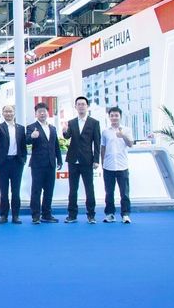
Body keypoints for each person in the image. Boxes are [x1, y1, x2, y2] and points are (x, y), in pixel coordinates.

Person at [62, 96, 102, 224]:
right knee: (72, 189)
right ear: (75, 107)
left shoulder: (94, 123)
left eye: (83, 104)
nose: (81, 106)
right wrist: (64, 131)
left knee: (89, 189)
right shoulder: (71, 122)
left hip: (87, 160)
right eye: (78, 104)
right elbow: (67, 136)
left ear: (87, 106)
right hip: (73, 160)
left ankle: (91, 215)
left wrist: (96, 160)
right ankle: (72, 215)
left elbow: (97, 142)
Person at [27, 103, 63, 225]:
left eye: (44, 111)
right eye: (39, 111)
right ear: (36, 114)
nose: (42, 113)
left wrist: (59, 159)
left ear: (48, 113)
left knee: (49, 190)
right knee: (36, 190)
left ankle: (47, 214)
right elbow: (26, 140)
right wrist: (32, 136)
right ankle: (35, 215)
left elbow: (56, 145)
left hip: (51, 163)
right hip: (37, 164)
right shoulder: (31, 127)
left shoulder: (52, 128)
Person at [0, 104, 27, 224]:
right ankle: (3, 215)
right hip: (3, 163)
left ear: (14, 113)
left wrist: (23, 159)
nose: (8, 113)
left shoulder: (21, 128)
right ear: (3, 114)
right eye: (6, 111)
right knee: (4, 191)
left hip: (17, 162)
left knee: (16, 191)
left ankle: (16, 215)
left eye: (10, 111)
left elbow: (23, 145)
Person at [101, 106, 134, 224]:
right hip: (108, 166)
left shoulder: (127, 130)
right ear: (109, 117)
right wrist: (102, 163)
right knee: (109, 193)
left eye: (116, 115)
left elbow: (130, 144)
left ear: (120, 117)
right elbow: (103, 147)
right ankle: (110, 214)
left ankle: (125, 214)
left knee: (124, 193)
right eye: (112, 115)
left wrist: (123, 135)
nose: (114, 118)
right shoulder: (105, 131)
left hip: (122, 166)